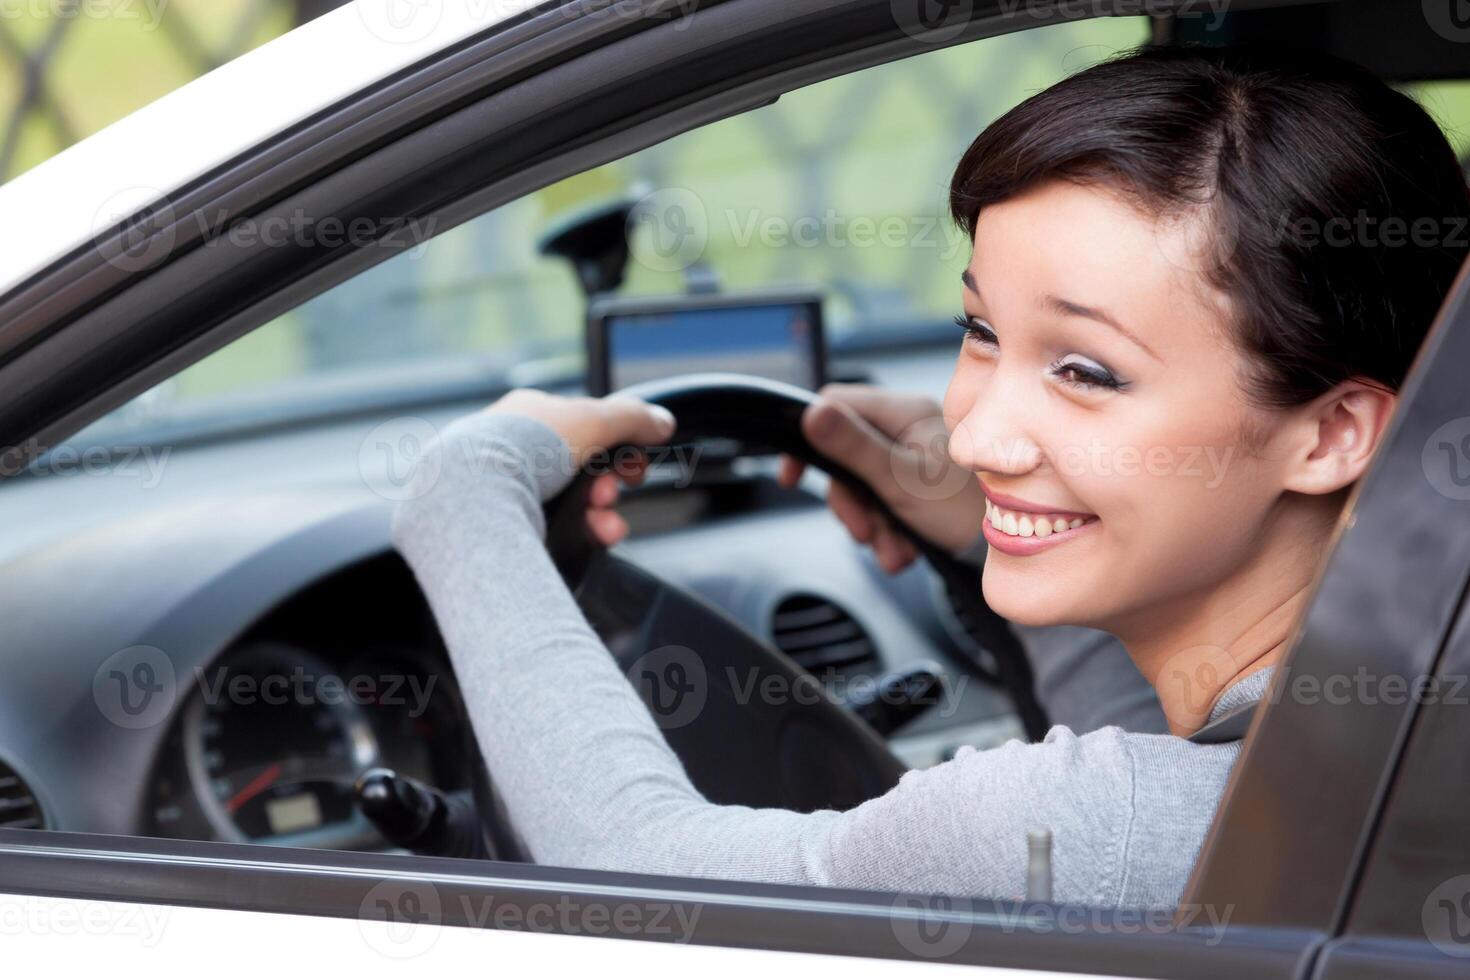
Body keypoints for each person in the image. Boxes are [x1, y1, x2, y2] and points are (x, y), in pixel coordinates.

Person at [390, 43, 1470, 906]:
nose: (977, 433)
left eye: (1086, 371)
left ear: (1331, 433)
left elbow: (637, 866)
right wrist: (978, 528)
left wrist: (467, 485)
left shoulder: (1078, 831)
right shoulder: (1384, 736)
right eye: (982, 330)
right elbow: (1160, 767)